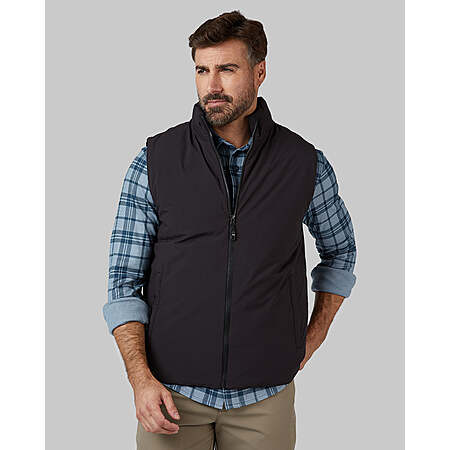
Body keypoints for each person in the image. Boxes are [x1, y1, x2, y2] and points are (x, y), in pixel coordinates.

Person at [102, 10, 357, 450]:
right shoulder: (154, 162)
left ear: (260, 72)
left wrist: (311, 338)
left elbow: (341, 252)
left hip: (265, 396)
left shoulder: (304, 163)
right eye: (202, 70)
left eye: (227, 69)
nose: (212, 85)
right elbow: (123, 282)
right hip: (170, 395)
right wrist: (140, 380)